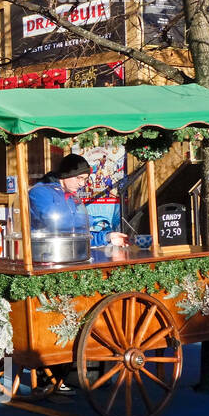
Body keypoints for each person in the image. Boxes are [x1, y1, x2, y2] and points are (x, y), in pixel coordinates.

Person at [27, 153, 126, 393]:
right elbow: (59, 226)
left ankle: (65, 371)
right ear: (67, 175)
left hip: (72, 259)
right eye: (80, 178)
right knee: (52, 317)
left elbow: (80, 230)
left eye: (85, 179)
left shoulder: (71, 196)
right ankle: (47, 374)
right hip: (47, 260)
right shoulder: (40, 193)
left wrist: (106, 237)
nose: (83, 183)